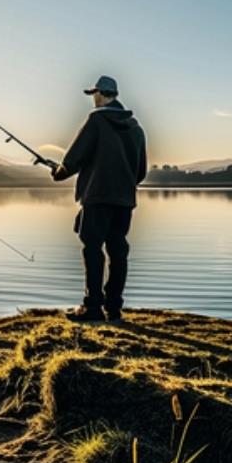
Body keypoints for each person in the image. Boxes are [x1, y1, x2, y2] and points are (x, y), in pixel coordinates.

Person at [50, 75, 147, 322]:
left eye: (94, 94)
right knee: (118, 250)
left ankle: (93, 308)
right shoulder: (136, 127)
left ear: (101, 94)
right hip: (124, 201)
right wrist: (123, 186)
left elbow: (73, 158)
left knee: (92, 248)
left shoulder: (96, 120)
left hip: (97, 197)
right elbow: (141, 171)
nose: (93, 99)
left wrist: (59, 172)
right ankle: (114, 308)